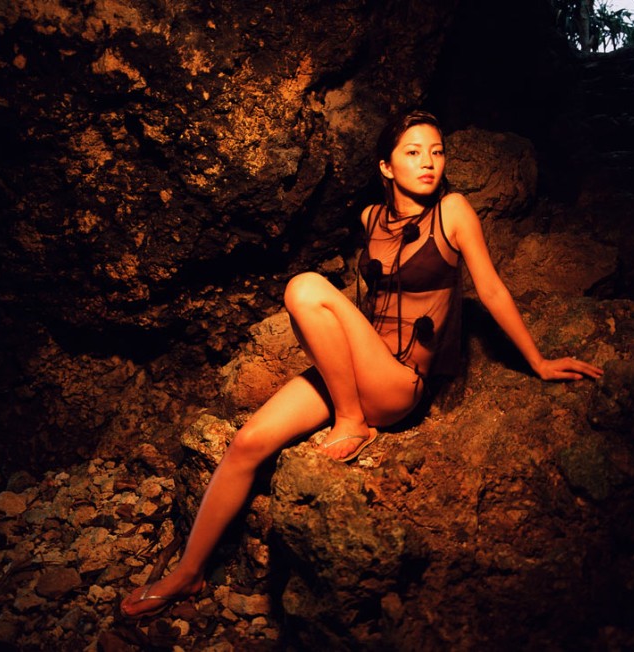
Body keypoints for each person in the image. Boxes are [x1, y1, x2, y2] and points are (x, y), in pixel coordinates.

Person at [119, 109, 603, 618]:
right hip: (356, 370)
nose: (428, 162)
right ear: (387, 167)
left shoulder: (453, 211)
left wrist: (538, 361)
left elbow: (492, 289)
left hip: (397, 385)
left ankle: (352, 422)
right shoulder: (371, 219)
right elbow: (363, 306)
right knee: (248, 442)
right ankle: (189, 573)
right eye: (413, 152)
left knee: (304, 287)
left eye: (437, 152)